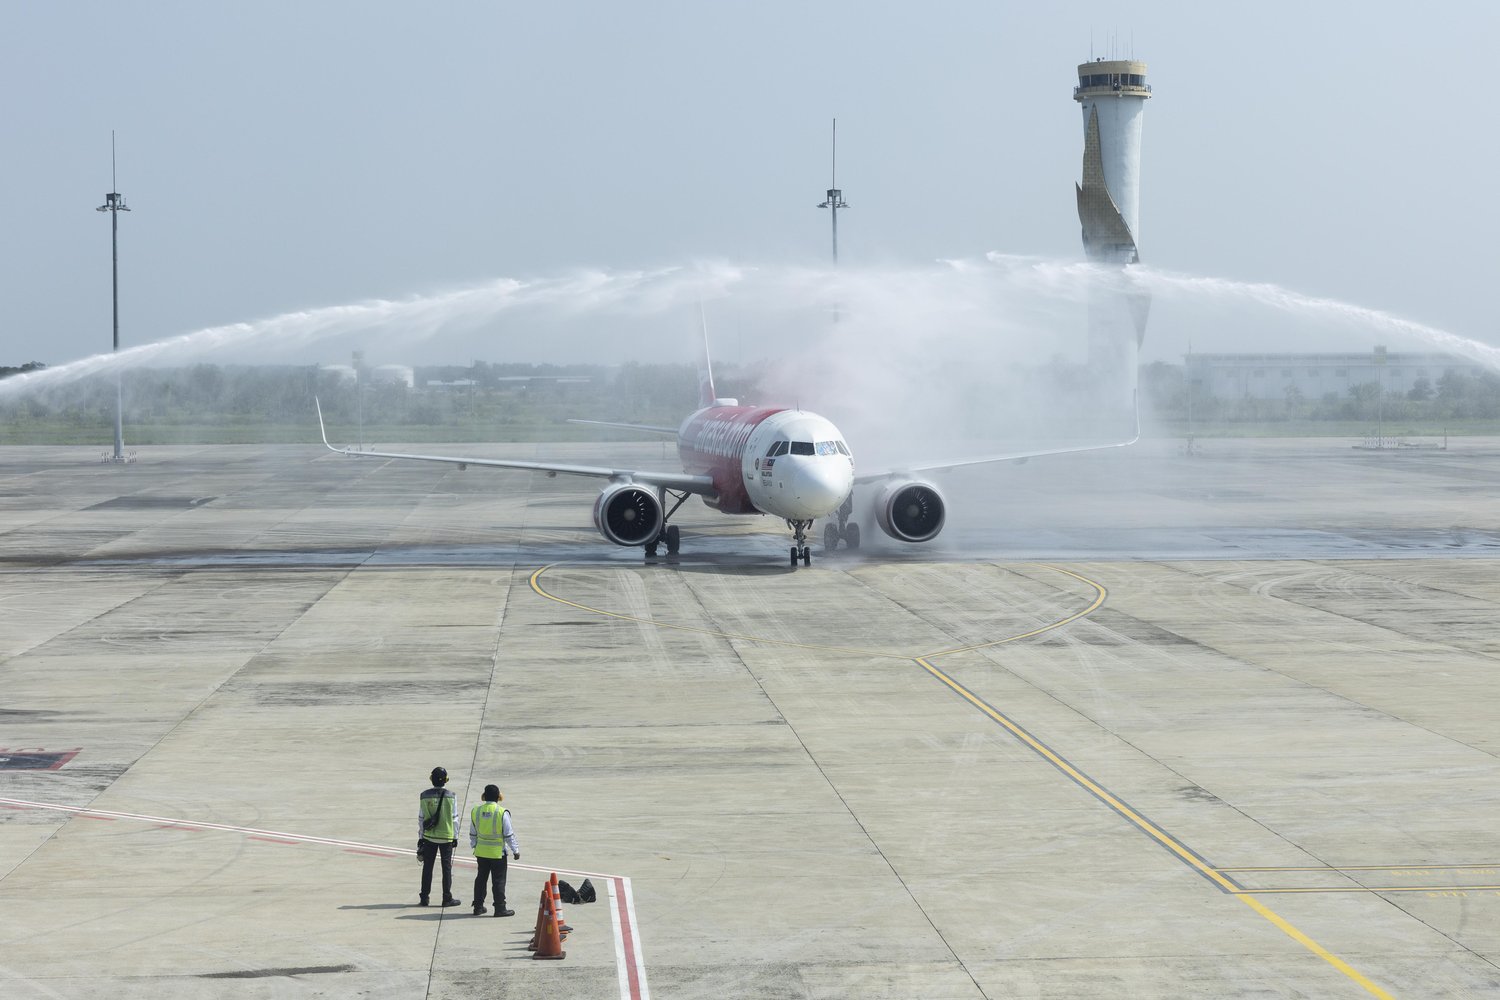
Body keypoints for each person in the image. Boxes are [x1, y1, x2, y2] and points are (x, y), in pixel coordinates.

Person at [468, 783, 520, 916]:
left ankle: (478, 907)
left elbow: (472, 832)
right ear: (499, 797)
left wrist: (475, 845)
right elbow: (508, 834)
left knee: (481, 879)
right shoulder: (501, 812)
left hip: (481, 853)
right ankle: (500, 908)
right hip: (497, 854)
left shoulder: (476, 811)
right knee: (498, 881)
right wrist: (515, 850)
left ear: (484, 796)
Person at [417, 766, 461, 907]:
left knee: (427, 867)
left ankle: (424, 897)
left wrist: (421, 837)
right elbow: (454, 818)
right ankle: (446, 898)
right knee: (446, 868)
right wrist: (455, 836)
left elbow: (421, 818)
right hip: (446, 837)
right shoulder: (451, 795)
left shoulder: (424, 795)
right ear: (445, 780)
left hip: (429, 837)